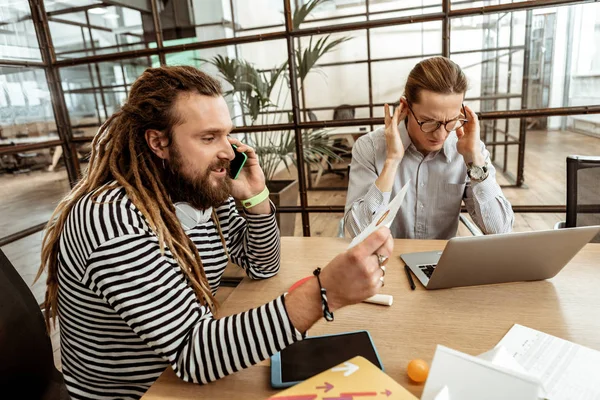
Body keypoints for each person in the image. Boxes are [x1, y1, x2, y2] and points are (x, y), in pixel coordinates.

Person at [36, 66, 392, 400]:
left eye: (227, 134)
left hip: (182, 370)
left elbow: (261, 265)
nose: (227, 151)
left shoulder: (198, 188)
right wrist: (324, 293)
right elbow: (195, 354)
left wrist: (256, 198)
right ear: (158, 143)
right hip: (142, 392)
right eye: (209, 137)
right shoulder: (112, 220)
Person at [345, 57, 514, 239]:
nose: (441, 135)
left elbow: (500, 229)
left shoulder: (470, 149)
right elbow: (358, 231)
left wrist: (474, 159)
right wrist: (392, 161)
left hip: (441, 263)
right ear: (405, 108)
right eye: (429, 122)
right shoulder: (369, 147)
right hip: (384, 260)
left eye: (451, 121)